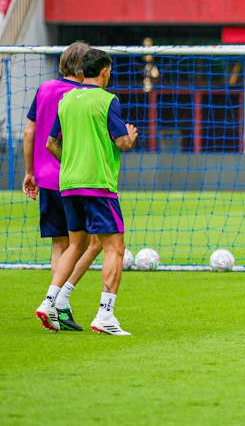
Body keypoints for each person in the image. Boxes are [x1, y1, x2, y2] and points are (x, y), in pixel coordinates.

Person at [35, 48, 139, 335]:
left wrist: (72, 162)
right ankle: (105, 315)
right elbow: (121, 143)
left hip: (68, 184)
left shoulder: (67, 100)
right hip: (98, 185)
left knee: (76, 244)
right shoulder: (107, 101)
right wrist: (129, 137)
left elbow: (51, 144)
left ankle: (49, 301)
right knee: (114, 247)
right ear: (105, 70)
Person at [22, 41, 102, 331]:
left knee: (61, 243)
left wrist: (30, 172)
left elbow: (30, 131)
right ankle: (60, 300)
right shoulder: (82, 95)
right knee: (95, 242)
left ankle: (55, 305)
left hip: (44, 177)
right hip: (75, 176)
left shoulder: (44, 89)